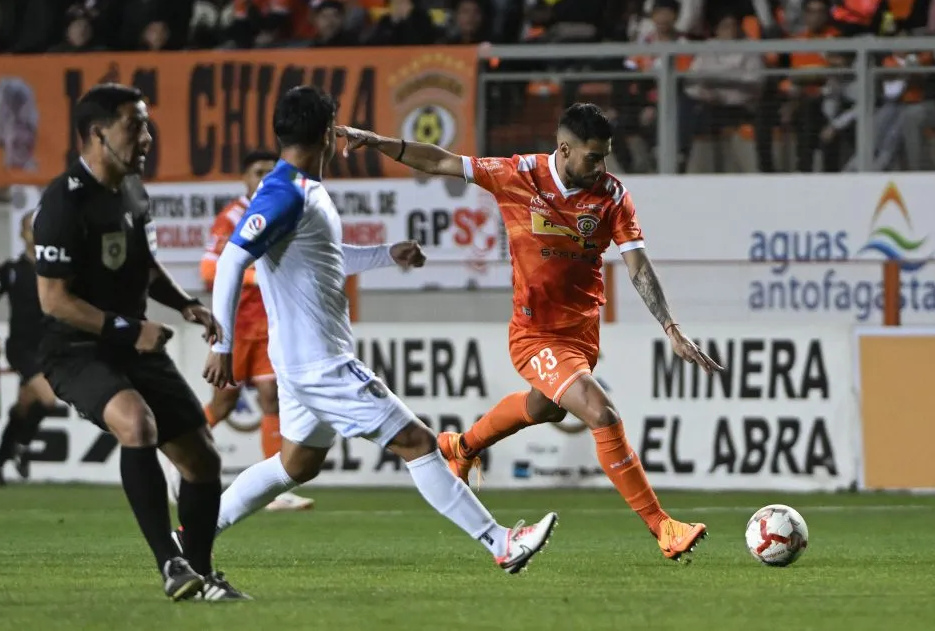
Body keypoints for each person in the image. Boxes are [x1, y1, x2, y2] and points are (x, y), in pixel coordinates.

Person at [338, 102, 723, 562]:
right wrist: (381, 143)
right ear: (565, 149)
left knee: (544, 409)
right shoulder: (518, 174)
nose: (602, 166)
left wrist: (670, 326)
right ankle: (664, 528)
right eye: (594, 157)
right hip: (535, 335)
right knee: (602, 415)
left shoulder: (612, 196)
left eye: (606, 157)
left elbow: (636, 263)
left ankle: (461, 446)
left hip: (582, 335)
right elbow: (441, 160)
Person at [199, 86, 558, 574]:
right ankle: (501, 542)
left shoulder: (300, 190)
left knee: (296, 465)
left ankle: (194, 535)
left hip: (302, 361)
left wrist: (387, 254)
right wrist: (221, 344)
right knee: (419, 443)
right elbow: (231, 261)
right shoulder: (286, 192)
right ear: (327, 134)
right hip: (322, 363)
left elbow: (324, 260)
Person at [32, 83, 248, 602]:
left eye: (147, 125)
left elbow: (145, 267)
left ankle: (200, 575)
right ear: (95, 134)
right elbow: (54, 301)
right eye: (135, 126)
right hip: (76, 350)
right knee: (137, 423)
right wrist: (131, 329)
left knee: (203, 461)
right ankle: (170, 564)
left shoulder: (132, 190)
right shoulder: (62, 203)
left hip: (134, 345)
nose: (147, 137)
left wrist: (185, 305)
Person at [194, 150, 314, 512]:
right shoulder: (232, 215)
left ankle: (275, 489)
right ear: (244, 179)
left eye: (269, 171)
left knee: (271, 396)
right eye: (256, 172)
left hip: (270, 326)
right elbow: (209, 271)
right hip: (236, 327)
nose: (263, 177)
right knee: (223, 403)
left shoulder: (285, 208)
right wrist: (261, 277)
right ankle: (172, 456)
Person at [0, 210, 60, 485]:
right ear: (22, 234)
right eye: (29, 229)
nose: (34, 234)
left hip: (47, 348)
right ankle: (23, 446)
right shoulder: (12, 270)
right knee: (49, 401)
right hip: (21, 348)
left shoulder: (52, 269)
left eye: (38, 228)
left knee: (23, 409)